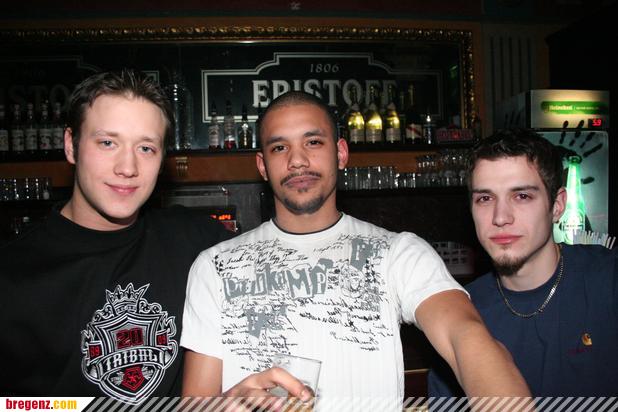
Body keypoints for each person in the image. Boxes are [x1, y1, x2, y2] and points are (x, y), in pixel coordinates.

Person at [180, 91, 530, 409]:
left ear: (341, 154)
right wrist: (227, 404)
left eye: (313, 142)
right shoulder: (216, 267)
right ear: (262, 166)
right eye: (279, 148)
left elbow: (464, 335)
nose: (297, 160)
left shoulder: (397, 253)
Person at [0, 70, 230, 404]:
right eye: (108, 143)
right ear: (71, 145)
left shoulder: (196, 239)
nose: (127, 167)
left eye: (146, 148)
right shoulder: (11, 275)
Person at [428, 128, 618, 396]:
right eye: (485, 198)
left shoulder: (608, 281)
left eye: (522, 196)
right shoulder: (460, 314)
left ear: (557, 205)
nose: (500, 217)